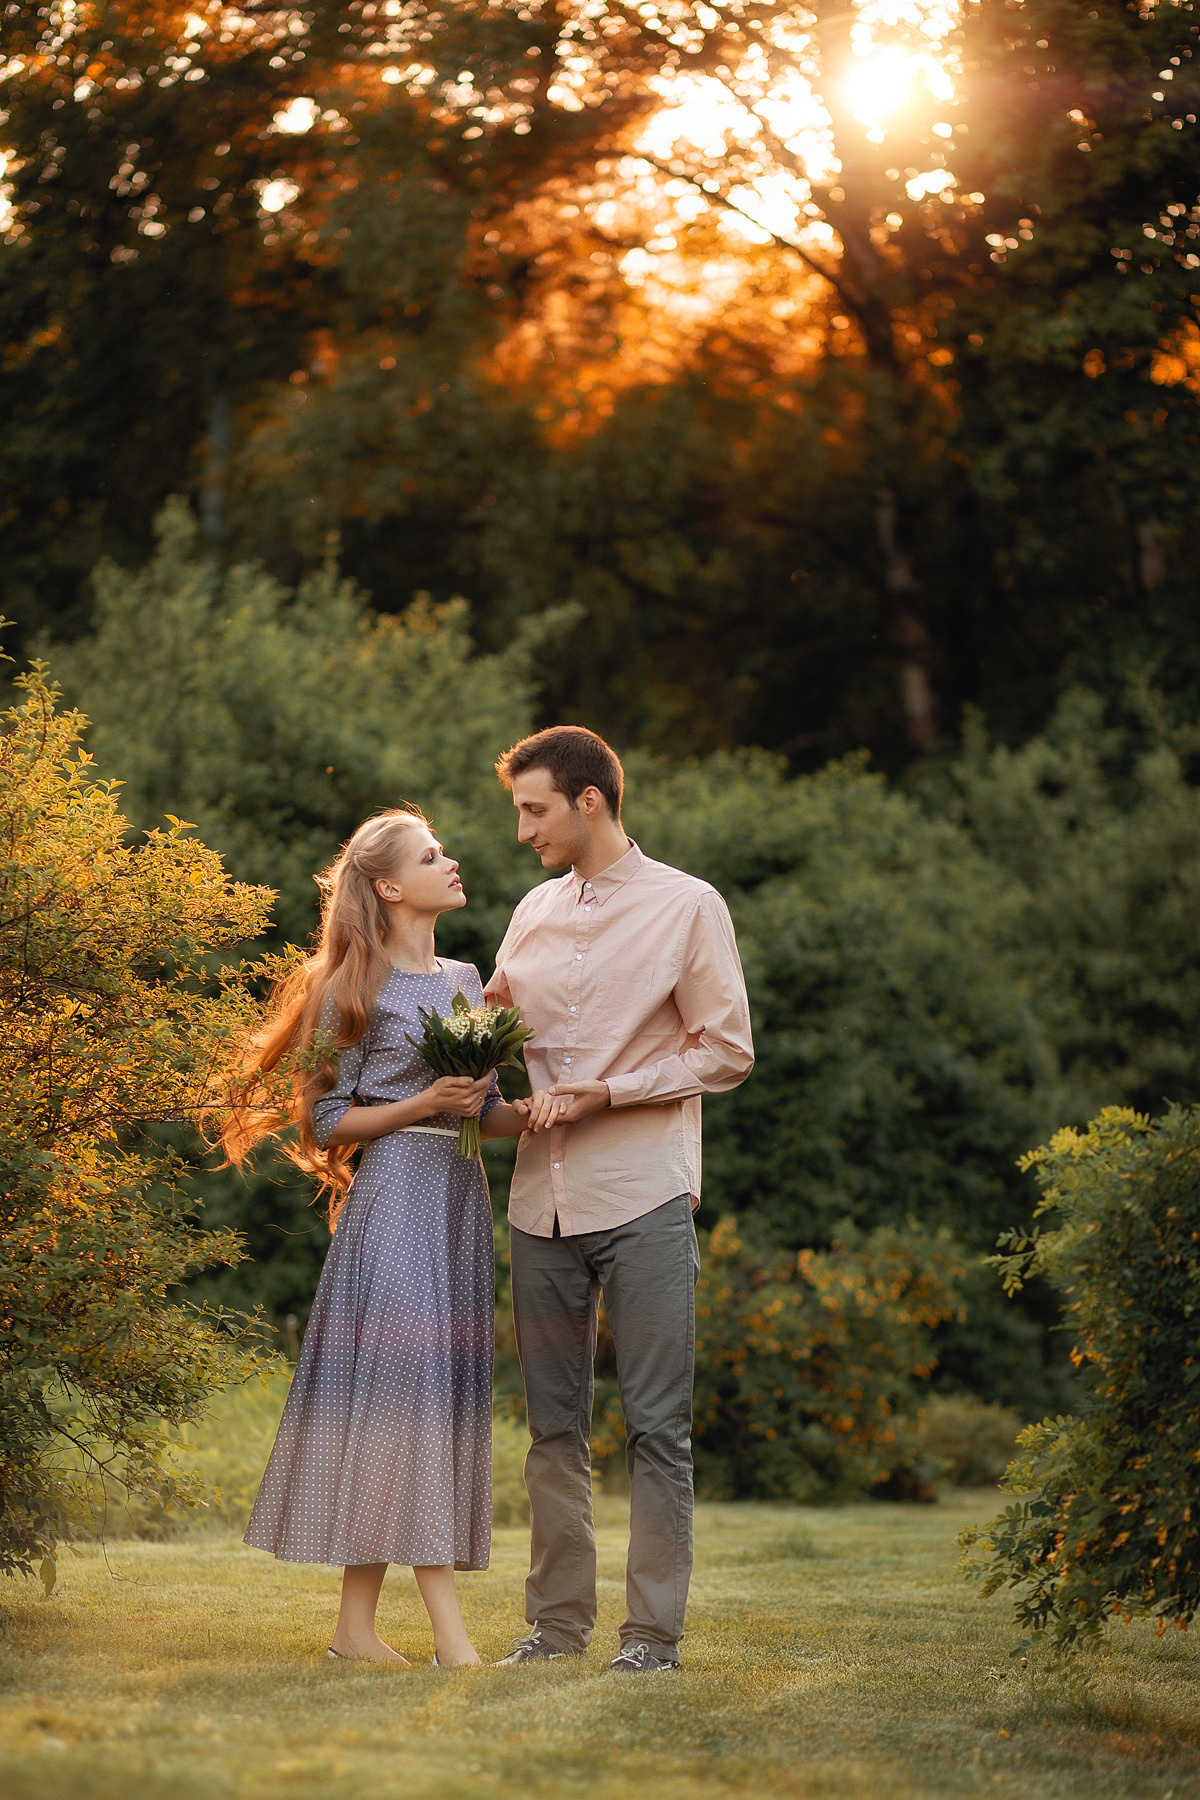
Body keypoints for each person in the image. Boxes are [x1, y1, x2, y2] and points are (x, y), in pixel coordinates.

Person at [221, 808, 528, 1666]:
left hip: (458, 1205)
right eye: (432, 855)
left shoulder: (470, 975)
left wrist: (531, 1115)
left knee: (412, 1403)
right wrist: (424, 1106)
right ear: (389, 886)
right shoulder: (351, 986)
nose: (452, 860)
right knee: (416, 1404)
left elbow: (485, 1109)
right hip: (393, 1201)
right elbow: (325, 1123)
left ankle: (354, 1631)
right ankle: (452, 1638)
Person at [484, 726, 754, 1674]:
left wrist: (613, 1089)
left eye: (535, 809)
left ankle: (651, 1638)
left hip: (642, 1193)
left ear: (589, 800)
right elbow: (490, 1020)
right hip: (538, 1202)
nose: (524, 831)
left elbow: (726, 1049)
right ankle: (556, 1628)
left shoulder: (689, 906)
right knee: (553, 1427)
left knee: (655, 1424)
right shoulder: (531, 910)